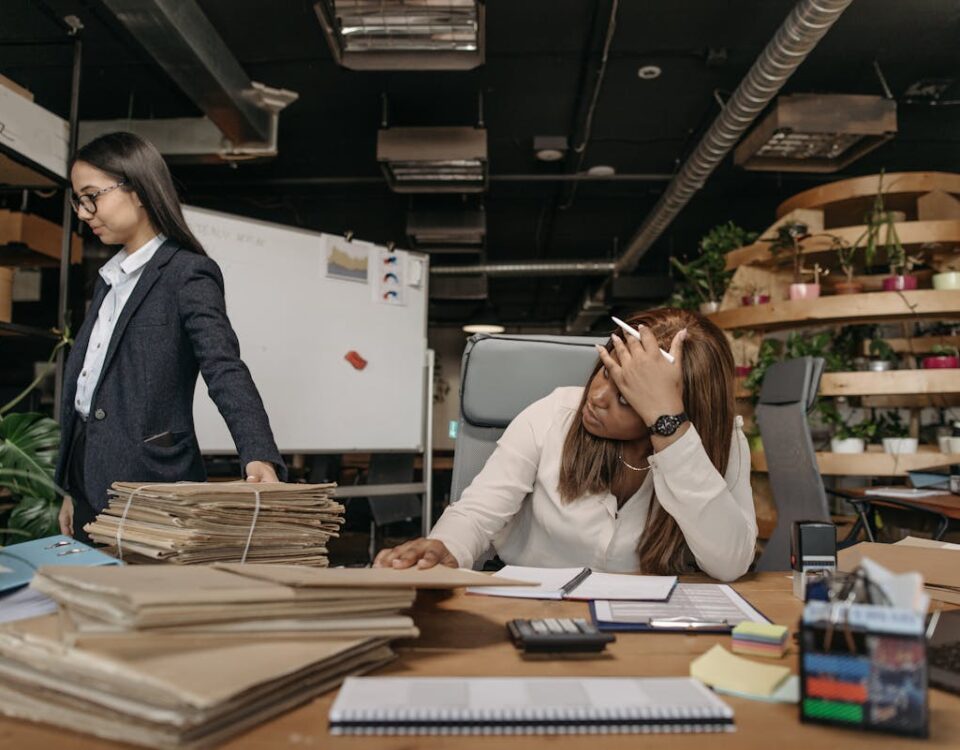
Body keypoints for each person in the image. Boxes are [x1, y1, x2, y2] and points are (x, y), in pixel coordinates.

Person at [375, 308, 757, 581]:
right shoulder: (552, 414)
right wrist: (445, 548)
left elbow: (730, 562)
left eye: (626, 396)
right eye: (606, 371)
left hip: (653, 628)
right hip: (534, 607)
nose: (598, 396)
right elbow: (475, 514)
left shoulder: (717, 443)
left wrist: (670, 429)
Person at [56, 132, 286, 543]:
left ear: (139, 189)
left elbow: (223, 367)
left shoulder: (187, 274)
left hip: (151, 479)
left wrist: (258, 454)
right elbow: (89, 391)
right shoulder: (108, 281)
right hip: (85, 477)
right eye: (78, 200)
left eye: (92, 196)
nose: (84, 212)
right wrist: (72, 485)